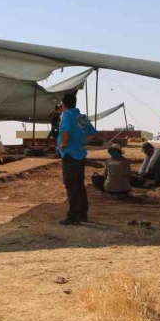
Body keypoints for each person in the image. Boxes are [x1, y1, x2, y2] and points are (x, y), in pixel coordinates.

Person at [58, 92, 97, 225]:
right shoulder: (80, 116)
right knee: (79, 185)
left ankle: (73, 215)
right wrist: (81, 140)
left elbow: (66, 131)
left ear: (64, 104)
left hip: (69, 154)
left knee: (70, 185)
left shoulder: (67, 115)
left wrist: (63, 144)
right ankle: (82, 214)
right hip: (80, 154)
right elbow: (92, 132)